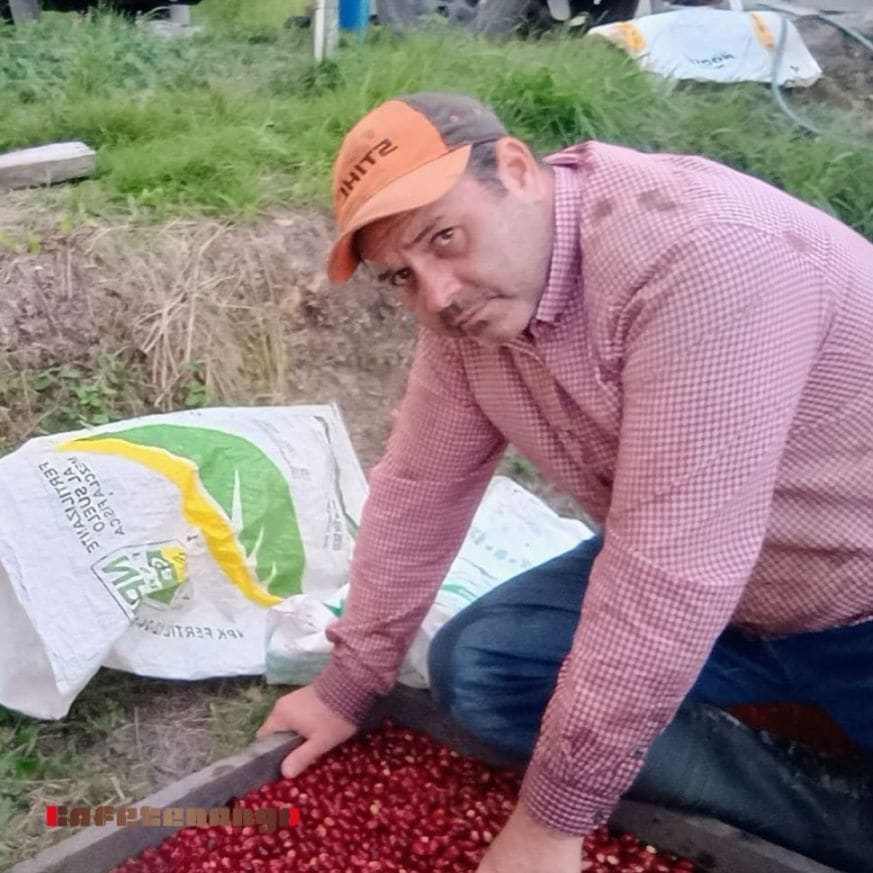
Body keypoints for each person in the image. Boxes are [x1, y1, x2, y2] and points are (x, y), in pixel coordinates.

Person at [257, 92, 873, 873]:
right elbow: (419, 487)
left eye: (444, 236)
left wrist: (551, 818)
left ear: (517, 168)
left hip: (851, 596)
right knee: (486, 669)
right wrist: (347, 682)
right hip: (723, 588)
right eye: (401, 277)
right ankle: (815, 790)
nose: (438, 293)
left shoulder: (704, 256)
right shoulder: (471, 315)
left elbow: (671, 565)